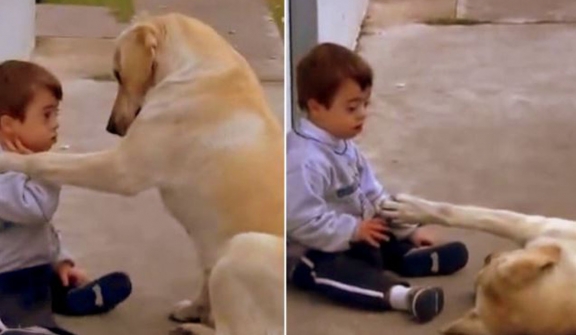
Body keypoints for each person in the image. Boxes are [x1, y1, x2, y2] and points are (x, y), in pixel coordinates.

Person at [286, 43, 469, 323]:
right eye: (352, 107)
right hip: (309, 251)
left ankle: (409, 257)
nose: (362, 114)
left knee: (381, 236)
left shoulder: (345, 146)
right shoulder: (304, 160)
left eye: (365, 104)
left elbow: (373, 194)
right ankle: (399, 295)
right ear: (316, 107)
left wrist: (406, 231)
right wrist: (353, 230)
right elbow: (299, 220)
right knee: (335, 271)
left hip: (355, 237)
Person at [0, 60, 132, 335]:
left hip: (34, 267)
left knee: (51, 284)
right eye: (46, 115)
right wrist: (47, 168)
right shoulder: (5, 173)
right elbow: (36, 208)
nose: (56, 124)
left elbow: (42, 230)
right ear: (9, 126)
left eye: (55, 114)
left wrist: (61, 258)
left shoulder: (25, 163)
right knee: (26, 315)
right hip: (7, 280)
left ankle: (69, 296)